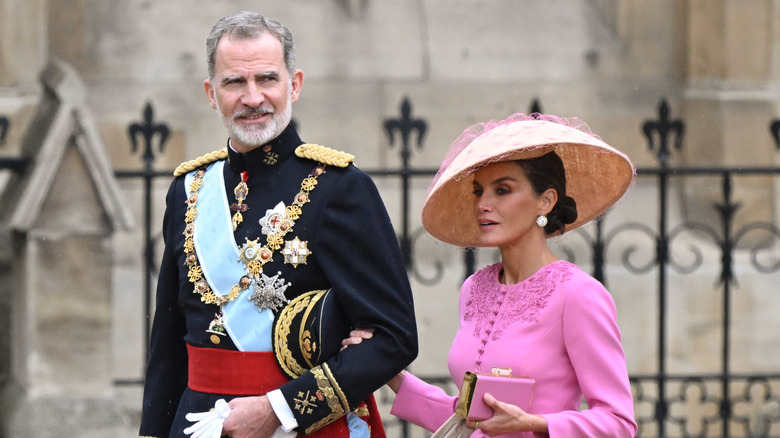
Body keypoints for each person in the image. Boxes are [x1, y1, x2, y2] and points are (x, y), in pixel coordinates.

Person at [138, 11, 418, 438]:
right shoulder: (189, 190)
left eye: (267, 79)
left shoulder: (340, 188)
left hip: (303, 425)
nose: (253, 98)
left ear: (295, 85)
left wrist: (281, 409)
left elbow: (394, 338)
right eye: (235, 82)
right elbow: (167, 348)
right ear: (212, 93)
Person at [344, 113, 637, 437]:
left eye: (503, 190)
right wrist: (393, 376)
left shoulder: (578, 294)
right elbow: (469, 417)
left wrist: (536, 424)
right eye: (479, 191)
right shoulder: (474, 288)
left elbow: (618, 422)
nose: (483, 204)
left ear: (546, 200)